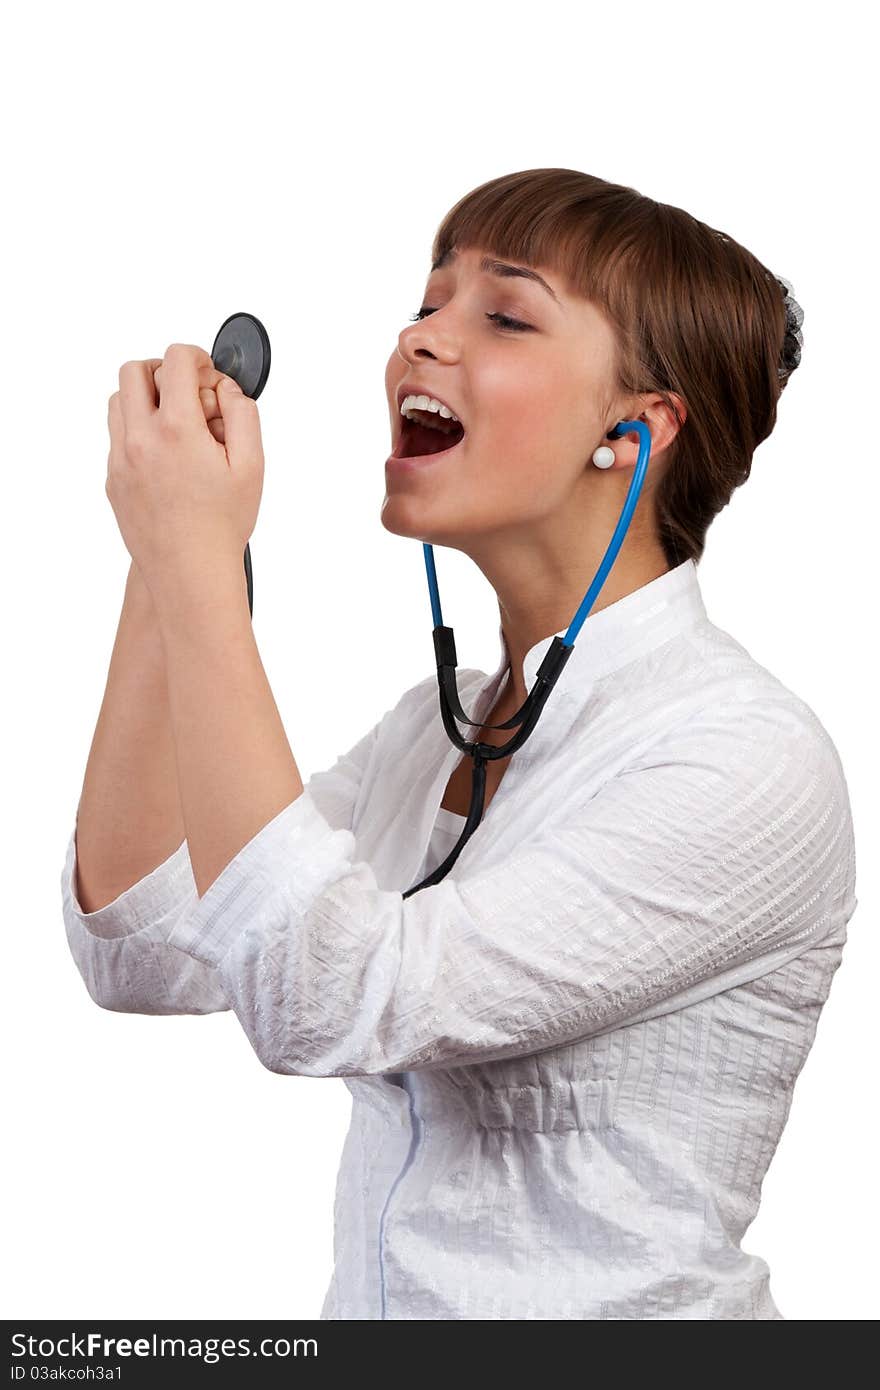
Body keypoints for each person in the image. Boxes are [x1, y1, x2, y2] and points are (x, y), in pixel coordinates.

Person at [61, 168, 857, 1320]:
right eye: (427, 302)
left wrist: (196, 562)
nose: (417, 337)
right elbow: (141, 945)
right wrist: (164, 555)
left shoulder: (743, 758)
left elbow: (329, 999)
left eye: (502, 313)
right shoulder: (428, 737)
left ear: (636, 432)